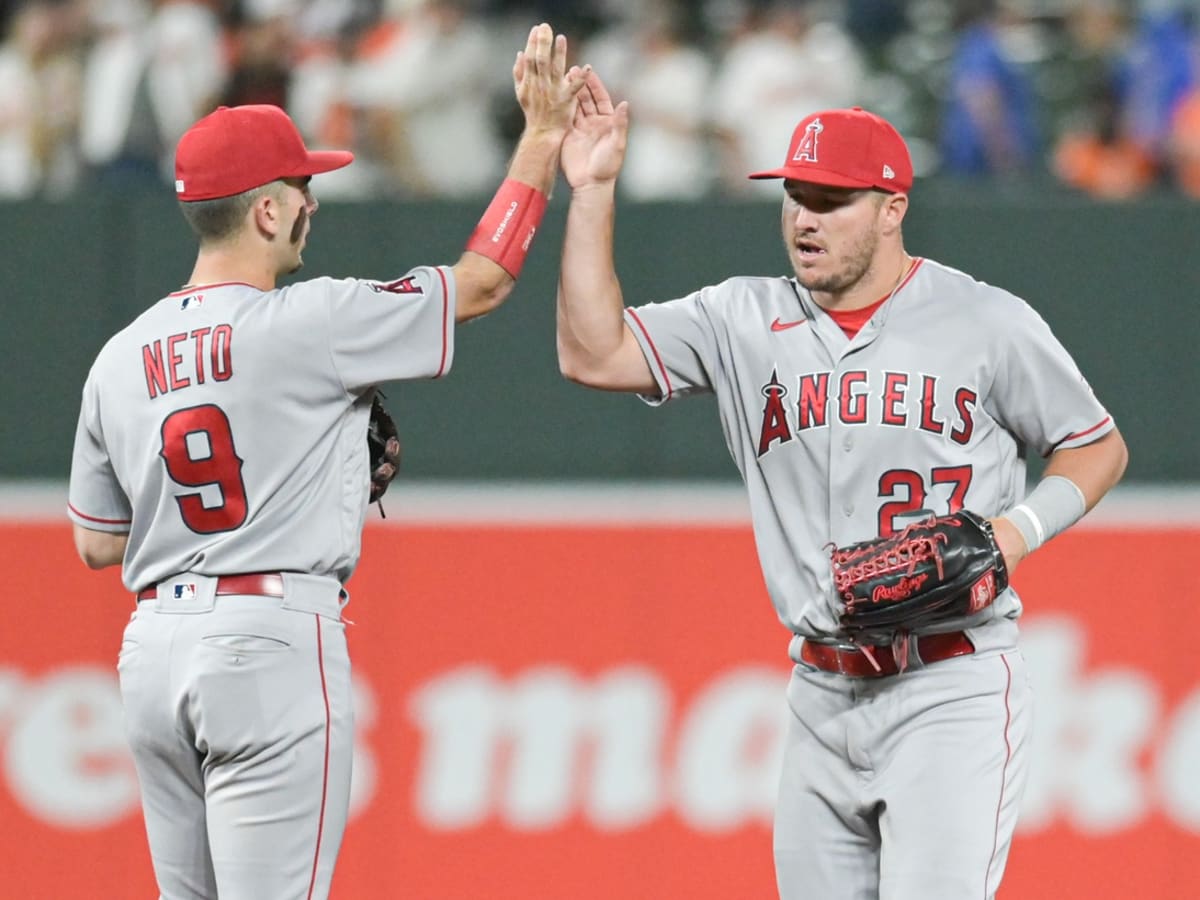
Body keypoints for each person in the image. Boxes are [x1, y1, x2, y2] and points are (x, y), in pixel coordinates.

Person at [555, 79, 1129, 899]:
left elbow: (1096, 447)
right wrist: (592, 191)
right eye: (795, 196)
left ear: (892, 209)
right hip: (819, 690)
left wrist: (1015, 533)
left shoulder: (985, 320)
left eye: (832, 200)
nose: (804, 218)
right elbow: (591, 352)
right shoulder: (739, 320)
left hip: (949, 682)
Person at [67, 23, 584, 900]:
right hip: (267, 639)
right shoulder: (309, 319)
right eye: (303, 186)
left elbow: (94, 545)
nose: (313, 202)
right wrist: (538, 141)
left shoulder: (120, 355)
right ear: (266, 209)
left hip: (153, 649)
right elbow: (485, 280)